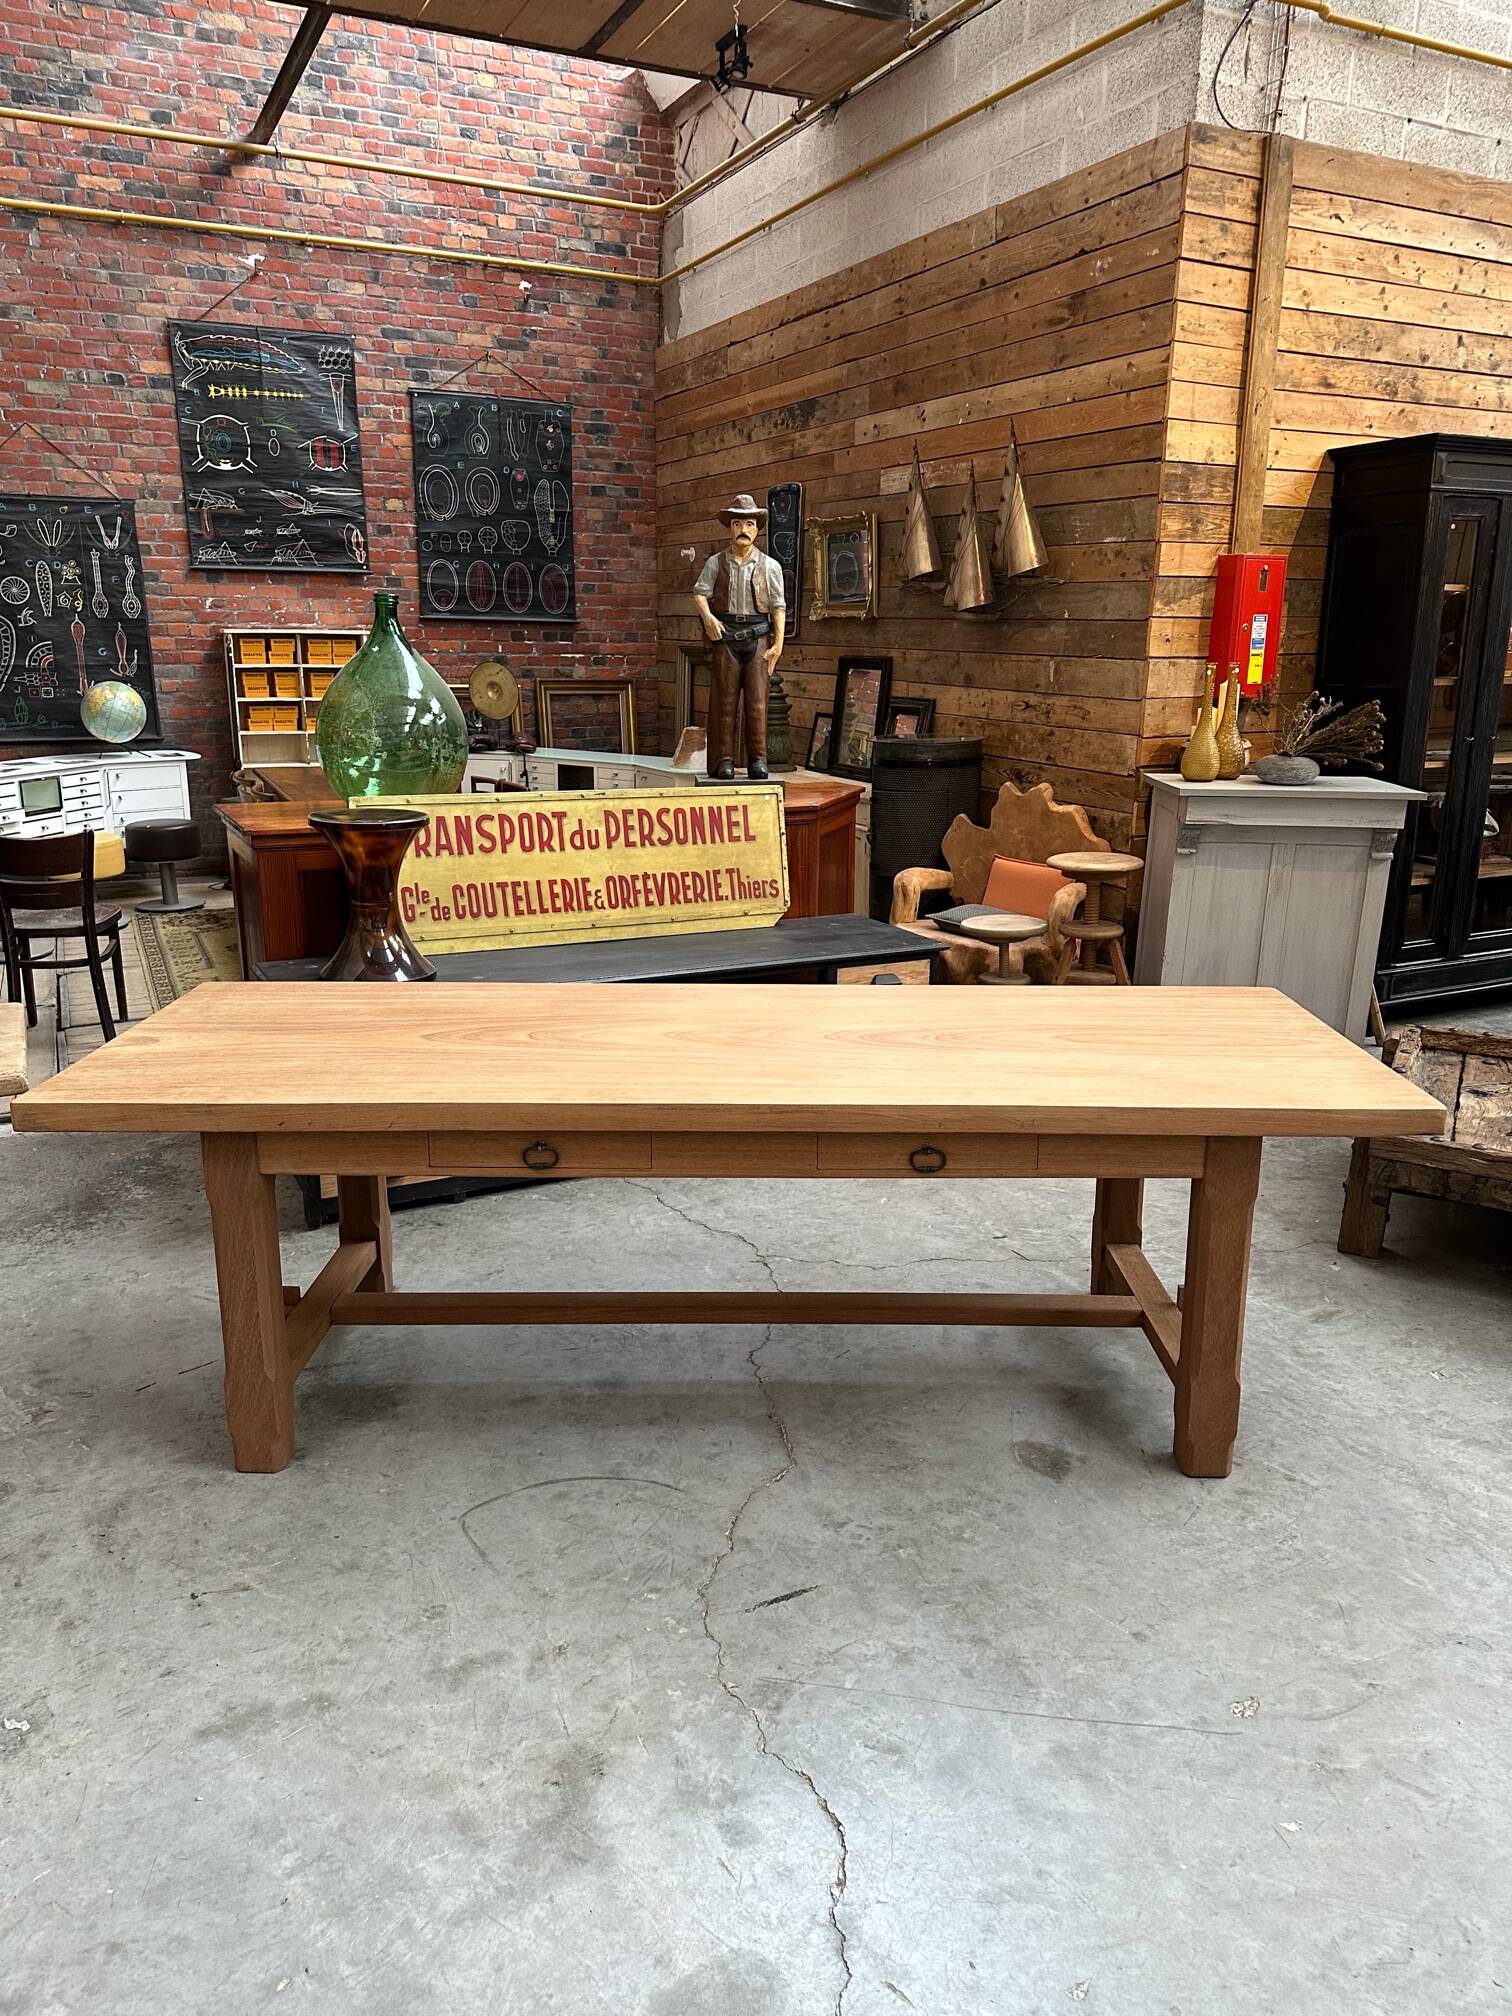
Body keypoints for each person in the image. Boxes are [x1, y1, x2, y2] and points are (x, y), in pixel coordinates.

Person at [691, 492, 787, 781]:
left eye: (748, 524)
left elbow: (779, 607)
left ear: (756, 528)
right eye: (736, 524)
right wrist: (708, 618)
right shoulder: (715, 564)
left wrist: (778, 644)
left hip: (758, 638)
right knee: (724, 701)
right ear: (730, 528)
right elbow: (699, 593)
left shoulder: (771, 567)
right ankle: (724, 761)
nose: (742, 530)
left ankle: (758, 759)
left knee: (758, 702)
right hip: (727, 638)